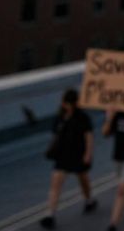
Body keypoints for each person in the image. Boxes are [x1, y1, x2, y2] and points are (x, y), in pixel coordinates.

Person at [40, 89, 96, 228]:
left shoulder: (82, 117)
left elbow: (88, 136)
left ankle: (89, 200)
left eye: (69, 103)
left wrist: (88, 154)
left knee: (83, 179)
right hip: (63, 155)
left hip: (78, 153)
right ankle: (50, 214)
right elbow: (56, 136)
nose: (67, 105)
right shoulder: (59, 118)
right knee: (55, 185)